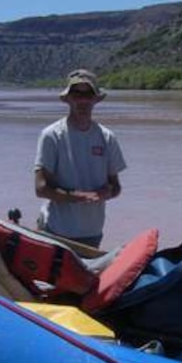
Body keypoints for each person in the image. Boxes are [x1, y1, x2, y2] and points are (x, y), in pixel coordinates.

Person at [34, 69, 126, 248]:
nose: (83, 100)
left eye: (88, 94)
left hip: (93, 234)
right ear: (68, 98)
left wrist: (106, 193)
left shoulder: (107, 137)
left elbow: (116, 187)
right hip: (55, 231)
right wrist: (78, 197)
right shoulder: (51, 135)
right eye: (77, 93)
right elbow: (41, 188)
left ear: (95, 99)